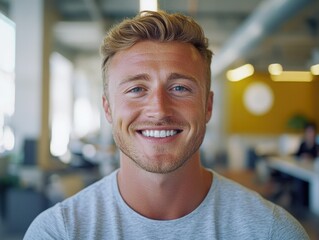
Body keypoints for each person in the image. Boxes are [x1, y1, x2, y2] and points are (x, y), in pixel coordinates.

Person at [24, 11, 309, 239]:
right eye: (136, 89)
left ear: (208, 106)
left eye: (180, 88)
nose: (159, 110)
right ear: (108, 108)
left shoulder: (272, 232)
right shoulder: (58, 232)